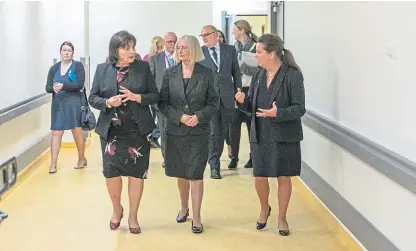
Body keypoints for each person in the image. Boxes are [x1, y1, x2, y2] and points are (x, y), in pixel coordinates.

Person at [89, 30, 159, 234]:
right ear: (115, 50)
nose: (131, 51)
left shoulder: (143, 68)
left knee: (137, 174)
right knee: (111, 172)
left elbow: (154, 96)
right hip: (111, 132)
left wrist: (137, 97)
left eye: (133, 47)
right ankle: (116, 209)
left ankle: (133, 216)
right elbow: (92, 97)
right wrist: (107, 102)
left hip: (137, 130)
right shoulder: (103, 69)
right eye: (126, 48)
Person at [235, 33, 305, 236]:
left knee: (284, 177)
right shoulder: (258, 76)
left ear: (272, 53)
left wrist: (278, 113)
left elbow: (300, 108)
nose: (255, 55)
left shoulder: (292, 75)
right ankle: (264, 208)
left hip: (284, 135)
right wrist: (242, 102)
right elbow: (253, 108)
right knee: (260, 176)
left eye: (258, 52)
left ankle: (282, 217)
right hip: (261, 133)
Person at [158, 35, 219, 233]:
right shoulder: (170, 73)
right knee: (181, 173)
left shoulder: (207, 74)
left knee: (196, 174)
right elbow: (163, 103)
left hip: (198, 132)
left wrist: (199, 116)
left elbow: (213, 103)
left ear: (193, 49)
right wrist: (179, 117)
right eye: (178, 47)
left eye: (183, 47)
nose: (179, 50)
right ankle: (184, 207)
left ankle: (197, 216)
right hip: (175, 131)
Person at [199, 25, 242, 179]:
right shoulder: (200, 52)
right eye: (201, 35)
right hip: (209, 99)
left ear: (216, 35)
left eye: (206, 34)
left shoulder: (229, 50)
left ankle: (216, 159)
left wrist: (239, 90)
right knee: (213, 132)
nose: (203, 37)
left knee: (223, 132)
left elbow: (236, 72)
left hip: (227, 98)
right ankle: (214, 165)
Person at [45, 41, 87, 174]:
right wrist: (54, 88)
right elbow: (47, 88)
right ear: (60, 52)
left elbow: (79, 85)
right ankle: (53, 164)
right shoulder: (54, 68)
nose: (67, 52)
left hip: (74, 103)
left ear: (73, 53)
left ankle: (81, 159)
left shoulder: (77, 66)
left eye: (69, 50)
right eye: (64, 50)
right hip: (58, 105)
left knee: (77, 131)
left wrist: (63, 86)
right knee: (56, 132)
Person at [228, 19, 259, 169]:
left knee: (251, 124)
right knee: (234, 124)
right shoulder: (235, 46)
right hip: (237, 89)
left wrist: (243, 68)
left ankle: (253, 157)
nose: (233, 31)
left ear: (242, 30)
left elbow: (261, 69)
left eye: (235, 29)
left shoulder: (256, 46)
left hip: (251, 89)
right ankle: (234, 157)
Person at [149, 32, 178, 167]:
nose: (172, 44)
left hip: (179, 101)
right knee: (164, 131)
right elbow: (151, 80)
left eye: (174, 41)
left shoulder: (181, 57)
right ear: (164, 43)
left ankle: (178, 156)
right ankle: (167, 159)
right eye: (169, 42)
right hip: (162, 102)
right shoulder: (156, 59)